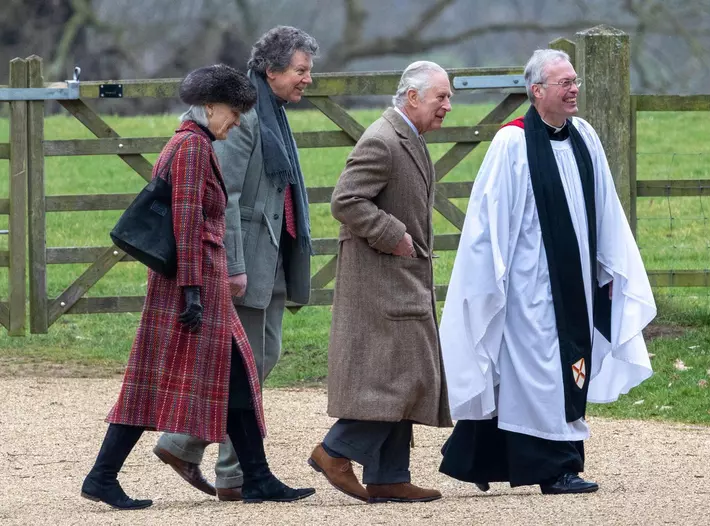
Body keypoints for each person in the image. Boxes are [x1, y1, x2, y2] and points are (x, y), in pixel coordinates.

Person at [80, 64, 315, 510]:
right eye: (232, 112)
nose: (237, 122)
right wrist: (191, 291)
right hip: (192, 288)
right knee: (150, 383)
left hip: (198, 284)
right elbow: (186, 222)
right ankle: (102, 475)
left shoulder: (196, 143)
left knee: (237, 379)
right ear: (209, 107)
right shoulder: (191, 148)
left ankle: (257, 477)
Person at [438, 49, 656, 495]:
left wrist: (609, 265)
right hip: (529, 282)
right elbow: (489, 222)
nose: (574, 89)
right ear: (537, 91)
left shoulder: (585, 136)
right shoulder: (512, 143)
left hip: (574, 278)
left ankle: (479, 458)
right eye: (564, 83)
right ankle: (555, 469)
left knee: (555, 369)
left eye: (575, 81)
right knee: (539, 372)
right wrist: (491, 281)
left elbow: (606, 206)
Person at [153, 26, 318, 502]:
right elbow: (221, 197)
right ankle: (231, 472)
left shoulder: (275, 114)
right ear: (272, 71)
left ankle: (189, 447)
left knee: (261, 359)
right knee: (246, 365)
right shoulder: (241, 115)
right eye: (301, 71)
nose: (307, 80)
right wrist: (231, 267)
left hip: (276, 253)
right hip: (246, 260)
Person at [307, 61, 454, 504]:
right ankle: (334, 451)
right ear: (412, 97)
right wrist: (395, 236)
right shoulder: (383, 140)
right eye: (441, 97)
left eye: (448, 96)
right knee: (399, 379)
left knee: (404, 374)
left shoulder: (410, 137)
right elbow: (346, 200)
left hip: (400, 280)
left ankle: (389, 475)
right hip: (381, 284)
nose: (448, 105)